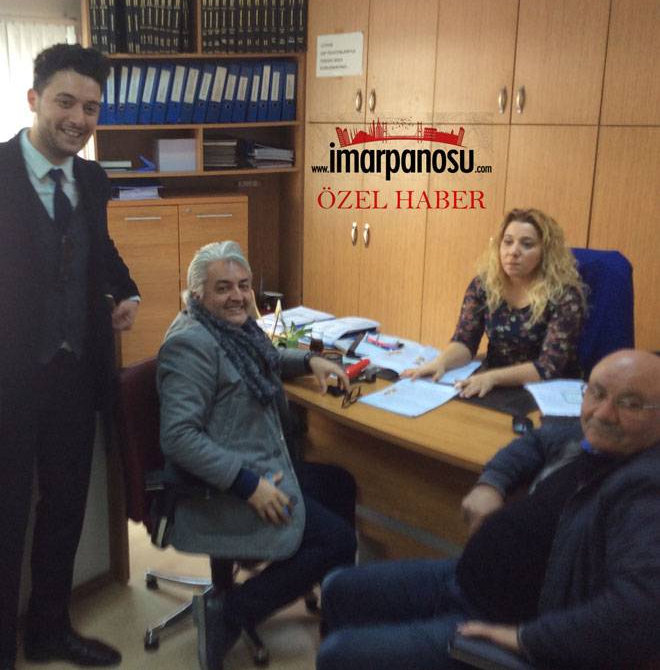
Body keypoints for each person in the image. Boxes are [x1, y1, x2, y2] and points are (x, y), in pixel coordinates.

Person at [318, 350, 660, 670]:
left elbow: (641, 611)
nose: (603, 413)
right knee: (338, 588)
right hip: (466, 578)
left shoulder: (646, 489)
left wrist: (526, 639)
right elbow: (538, 439)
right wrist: (491, 484)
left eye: (630, 404)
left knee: (340, 654)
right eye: (596, 393)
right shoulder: (596, 440)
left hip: (505, 623)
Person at [0, 44, 139, 670]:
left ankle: (49, 630)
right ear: (33, 99)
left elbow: (97, 248)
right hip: (7, 383)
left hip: (74, 376)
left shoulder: (91, 179)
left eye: (91, 108)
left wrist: (126, 290)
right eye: (65, 102)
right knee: (5, 517)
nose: (79, 119)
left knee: (63, 512)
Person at [157, 241, 357, 670]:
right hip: (223, 486)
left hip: (261, 462)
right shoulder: (190, 343)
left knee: (341, 484)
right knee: (338, 540)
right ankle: (229, 611)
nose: (238, 296)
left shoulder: (233, 330)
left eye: (244, 286)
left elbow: (264, 358)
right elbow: (179, 437)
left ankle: (334, 610)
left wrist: (309, 361)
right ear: (198, 295)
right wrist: (249, 485)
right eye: (223, 287)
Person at [403, 208, 585, 397]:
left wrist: (492, 377)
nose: (513, 252)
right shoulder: (484, 285)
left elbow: (549, 367)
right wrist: (441, 362)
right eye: (508, 242)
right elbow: (465, 341)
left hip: (550, 392)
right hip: (494, 384)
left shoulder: (564, 296)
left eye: (527, 244)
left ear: (545, 252)